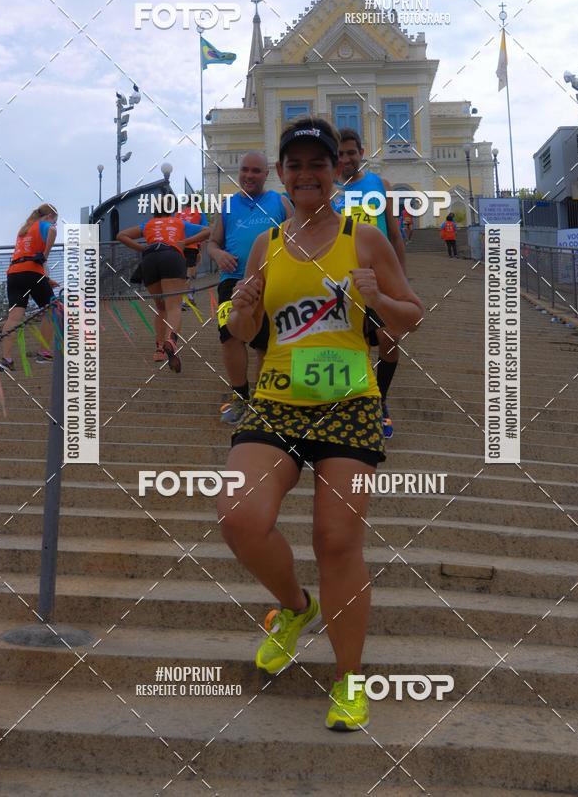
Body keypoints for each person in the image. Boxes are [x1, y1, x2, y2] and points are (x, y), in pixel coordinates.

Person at [217, 117, 423, 731]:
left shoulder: (365, 239)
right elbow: (246, 332)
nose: (307, 175)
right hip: (278, 398)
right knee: (238, 514)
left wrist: (377, 298)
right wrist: (244, 310)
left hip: (349, 402)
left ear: (337, 173)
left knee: (336, 541)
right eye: (296, 165)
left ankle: (349, 679)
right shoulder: (267, 244)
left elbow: (410, 314)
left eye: (318, 164)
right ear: (281, 176)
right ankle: (293, 608)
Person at [207, 151, 292, 423]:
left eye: (256, 171)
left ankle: (265, 398)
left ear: (266, 174)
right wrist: (219, 255)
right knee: (229, 336)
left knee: (264, 343)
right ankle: (240, 396)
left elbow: (299, 234)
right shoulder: (228, 205)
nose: (249, 176)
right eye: (245, 170)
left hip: (271, 281)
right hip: (231, 282)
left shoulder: (280, 201)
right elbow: (212, 243)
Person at [333, 129, 406, 438]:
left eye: (352, 152)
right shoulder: (329, 191)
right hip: (339, 282)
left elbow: (393, 233)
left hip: (378, 279)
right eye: (340, 153)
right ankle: (354, 402)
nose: (347, 158)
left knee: (389, 340)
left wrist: (401, 279)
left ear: (361, 151)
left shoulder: (380, 185)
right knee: (354, 344)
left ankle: (381, 400)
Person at [117, 200, 208, 372]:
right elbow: (207, 231)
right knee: (174, 305)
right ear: (172, 210)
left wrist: (142, 248)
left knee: (161, 308)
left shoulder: (148, 224)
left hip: (150, 258)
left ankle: (159, 349)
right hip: (172, 255)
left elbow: (121, 235)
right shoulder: (178, 222)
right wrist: (184, 242)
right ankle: (171, 341)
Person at [0, 204, 59, 372]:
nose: (55, 223)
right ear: (49, 216)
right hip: (32, 272)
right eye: (55, 219)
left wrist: (46, 279)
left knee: (14, 317)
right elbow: (53, 231)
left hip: (14, 274)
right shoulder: (45, 224)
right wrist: (44, 256)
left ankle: (6, 358)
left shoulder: (24, 230)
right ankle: (44, 353)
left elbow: (24, 255)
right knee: (51, 310)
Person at [178, 202, 209, 309]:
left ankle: (189, 295)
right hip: (192, 246)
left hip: (178, 246)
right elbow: (206, 230)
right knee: (189, 274)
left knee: (182, 273)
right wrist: (202, 249)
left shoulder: (179, 213)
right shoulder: (199, 213)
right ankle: (184, 298)